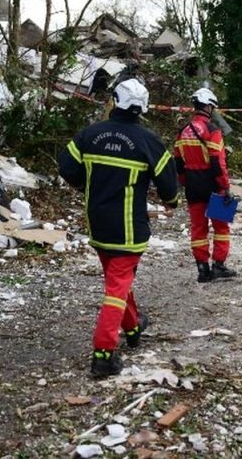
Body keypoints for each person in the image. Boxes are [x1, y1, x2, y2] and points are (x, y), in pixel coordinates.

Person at [58, 79, 179, 378]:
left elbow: (66, 167)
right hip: (128, 230)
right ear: (143, 107)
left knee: (117, 281)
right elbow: (168, 183)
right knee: (117, 287)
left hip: (98, 225)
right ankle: (103, 353)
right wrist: (171, 201)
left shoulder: (90, 135)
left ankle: (134, 326)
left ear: (115, 101)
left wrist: (86, 185)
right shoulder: (148, 141)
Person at [172, 88, 236, 283]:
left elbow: (178, 162)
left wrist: (184, 181)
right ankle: (219, 265)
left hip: (192, 185)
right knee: (221, 227)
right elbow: (218, 162)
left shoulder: (183, 132)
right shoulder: (212, 131)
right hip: (213, 184)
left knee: (198, 228)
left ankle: (202, 269)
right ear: (209, 106)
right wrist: (225, 186)